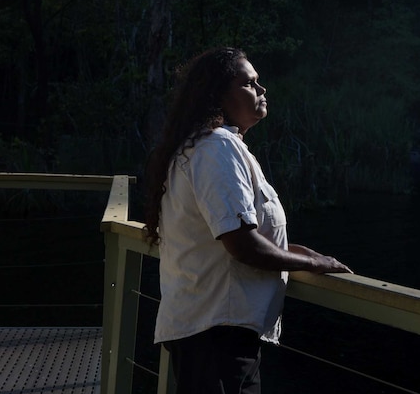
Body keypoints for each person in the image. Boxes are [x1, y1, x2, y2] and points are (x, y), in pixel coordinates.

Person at [143, 46, 352, 394]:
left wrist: (299, 252)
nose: (262, 89)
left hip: (211, 332)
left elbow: (233, 237)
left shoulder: (205, 147)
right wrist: (314, 261)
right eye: (250, 83)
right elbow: (241, 244)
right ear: (219, 97)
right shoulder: (217, 148)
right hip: (217, 336)